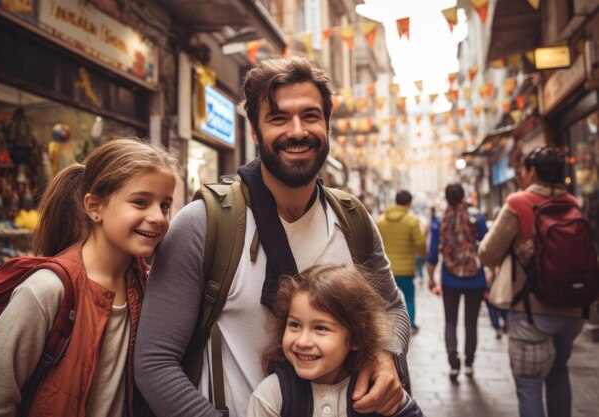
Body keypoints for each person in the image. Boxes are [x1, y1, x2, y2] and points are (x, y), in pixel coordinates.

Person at [134, 56, 411, 417]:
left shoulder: (353, 220)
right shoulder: (203, 223)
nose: (297, 131)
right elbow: (155, 361)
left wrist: (386, 354)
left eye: (310, 116)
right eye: (278, 118)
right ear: (254, 132)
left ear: (327, 123)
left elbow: (391, 307)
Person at [0, 138, 179, 416]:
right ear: (95, 207)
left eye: (165, 205)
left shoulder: (146, 286)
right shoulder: (47, 290)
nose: (158, 217)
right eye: (140, 202)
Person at [478, 147, 585, 417]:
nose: (520, 176)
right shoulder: (572, 202)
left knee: (529, 384)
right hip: (573, 309)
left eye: (523, 170)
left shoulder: (518, 202)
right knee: (559, 373)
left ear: (533, 171)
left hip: (531, 309)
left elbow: (487, 252)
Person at [248, 264, 424, 417]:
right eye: (294, 325)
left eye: (320, 328)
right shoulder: (272, 396)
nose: (302, 341)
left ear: (356, 338)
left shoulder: (377, 391)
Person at [426, 183, 488, 381]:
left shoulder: (439, 219)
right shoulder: (476, 217)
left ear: (446, 198)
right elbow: (487, 245)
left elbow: (433, 252)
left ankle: (454, 364)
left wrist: (430, 277)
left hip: (450, 278)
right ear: (463, 197)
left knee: (450, 321)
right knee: (471, 322)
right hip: (476, 278)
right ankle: (469, 363)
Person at [376, 190, 426, 332]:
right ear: (408, 203)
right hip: (406, 270)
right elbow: (420, 244)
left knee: (386, 301)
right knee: (409, 298)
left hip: (386, 269)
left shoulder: (381, 220)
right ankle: (410, 326)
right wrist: (423, 256)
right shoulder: (412, 221)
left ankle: (387, 327)